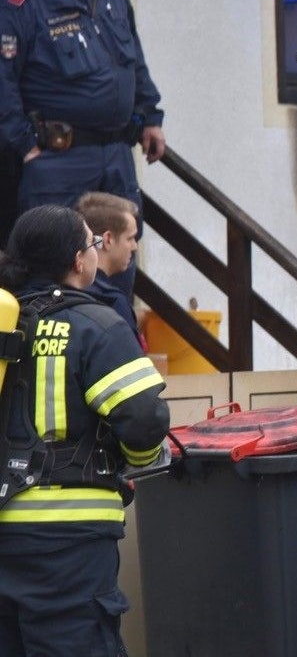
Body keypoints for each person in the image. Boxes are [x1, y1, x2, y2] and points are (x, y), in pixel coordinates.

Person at [0, 203, 170, 656]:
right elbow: (144, 418)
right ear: (79, 260)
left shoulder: (5, 323)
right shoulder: (97, 325)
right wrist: (137, 464)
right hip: (68, 542)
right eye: (93, 243)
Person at [0, 0, 166, 298]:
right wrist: (25, 145)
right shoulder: (20, 1)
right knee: (57, 268)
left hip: (116, 153)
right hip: (59, 159)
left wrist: (151, 115)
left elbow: (133, 59)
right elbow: (3, 84)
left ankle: (114, 329)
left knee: (119, 258)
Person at [75, 190, 142, 346]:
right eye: (130, 238)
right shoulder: (113, 302)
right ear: (108, 240)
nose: (135, 246)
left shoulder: (57, 290)